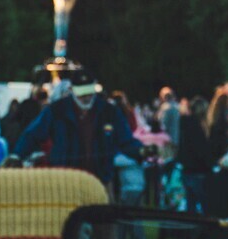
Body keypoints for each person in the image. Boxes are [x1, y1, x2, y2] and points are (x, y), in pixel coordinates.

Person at [14, 70, 143, 186]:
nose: (86, 97)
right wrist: (17, 155)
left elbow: (125, 140)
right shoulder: (56, 110)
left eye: (89, 92)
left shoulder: (109, 112)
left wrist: (142, 151)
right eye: (82, 93)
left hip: (99, 180)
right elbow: (32, 135)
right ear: (72, 90)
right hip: (64, 181)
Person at [177, 97, 212, 213]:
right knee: (204, 205)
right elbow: (200, 150)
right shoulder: (197, 127)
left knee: (190, 205)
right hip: (199, 170)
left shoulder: (185, 124)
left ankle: (191, 229)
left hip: (187, 169)